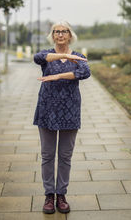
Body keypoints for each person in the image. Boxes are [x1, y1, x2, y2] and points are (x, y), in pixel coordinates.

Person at [33, 21, 91, 214]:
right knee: (47, 155)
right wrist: (64, 55)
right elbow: (37, 57)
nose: (60, 34)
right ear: (53, 35)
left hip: (70, 111)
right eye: (56, 31)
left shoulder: (79, 57)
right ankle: (49, 195)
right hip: (47, 109)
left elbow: (84, 72)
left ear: (69, 35)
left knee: (65, 156)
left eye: (63, 31)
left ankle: (61, 195)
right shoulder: (47, 55)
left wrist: (58, 77)